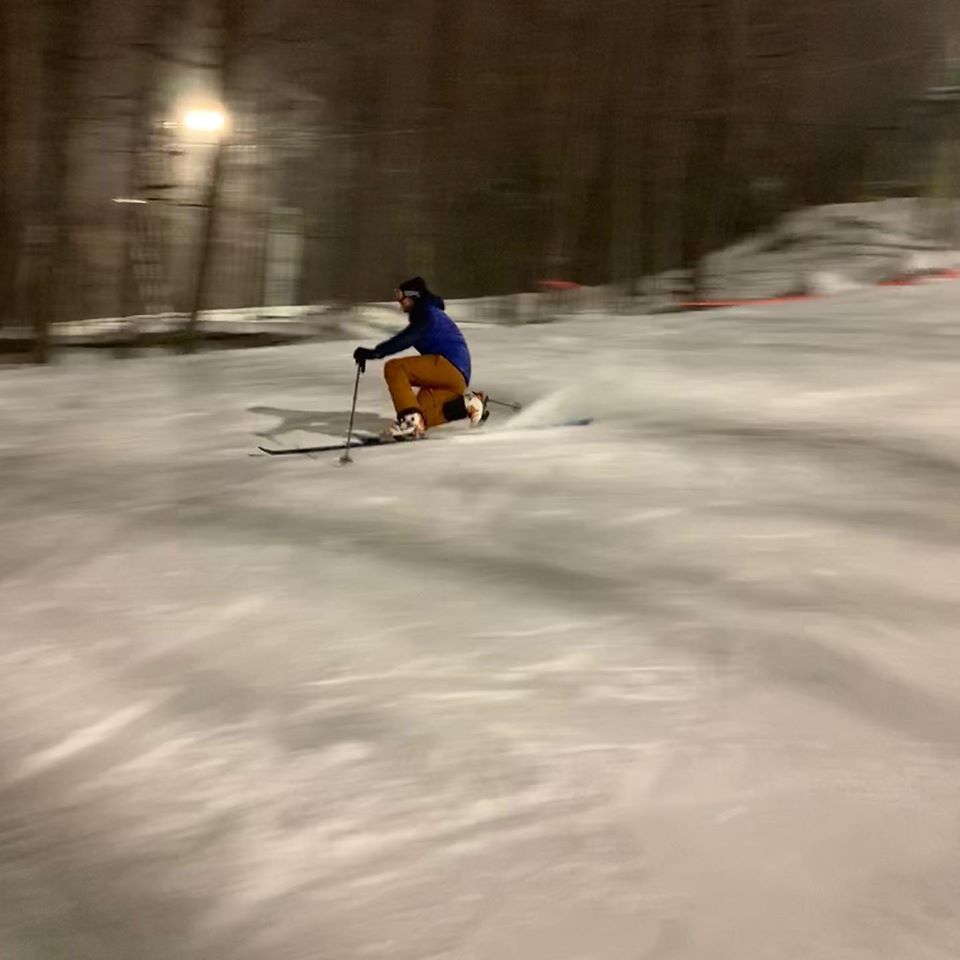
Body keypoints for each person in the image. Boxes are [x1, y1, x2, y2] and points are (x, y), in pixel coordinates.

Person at [353, 277, 487, 439]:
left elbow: (408, 337)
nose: (399, 301)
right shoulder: (430, 312)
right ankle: (468, 404)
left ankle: (410, 422)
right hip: (457, 377)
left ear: (413, 296)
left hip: (448, 364)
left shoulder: (426, 313)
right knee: (424, 414)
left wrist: (375, 352)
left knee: (395, 368)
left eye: (401, 296)